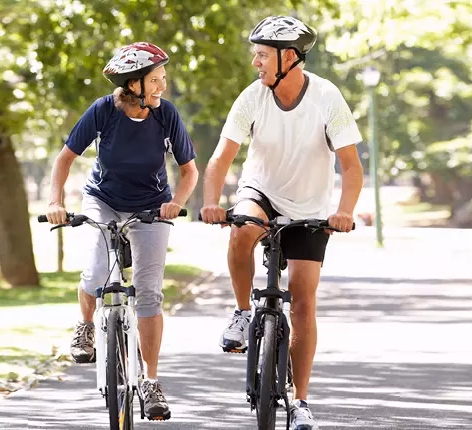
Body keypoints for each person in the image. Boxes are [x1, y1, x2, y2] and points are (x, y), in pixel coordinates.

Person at [199, 16, 364, 430]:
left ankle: (302, 402)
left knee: (305, 300)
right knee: (242, 231)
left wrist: (343, 211)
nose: (256, 63)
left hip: (310, 208)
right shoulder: (252, 98)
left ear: (289, 57)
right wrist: (211, 203)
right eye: (255, 54)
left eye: (262, 55)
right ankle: (241, 312)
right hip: (262, 193)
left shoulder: (327, 97)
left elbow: (351, 165)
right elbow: (221, 158)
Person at [45, 41, 198, 421]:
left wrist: (175, 202)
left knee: (148, 291)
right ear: (133, 84)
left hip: (152, 205)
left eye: (164, 78)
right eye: (157, 80)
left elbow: (189, 170)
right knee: (96, 272)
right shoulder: (103, 111)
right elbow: (65, 159)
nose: (163, 86)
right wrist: (55, 202)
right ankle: (85, 327)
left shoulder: (166, 115)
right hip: (104, 200)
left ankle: (150, 381)